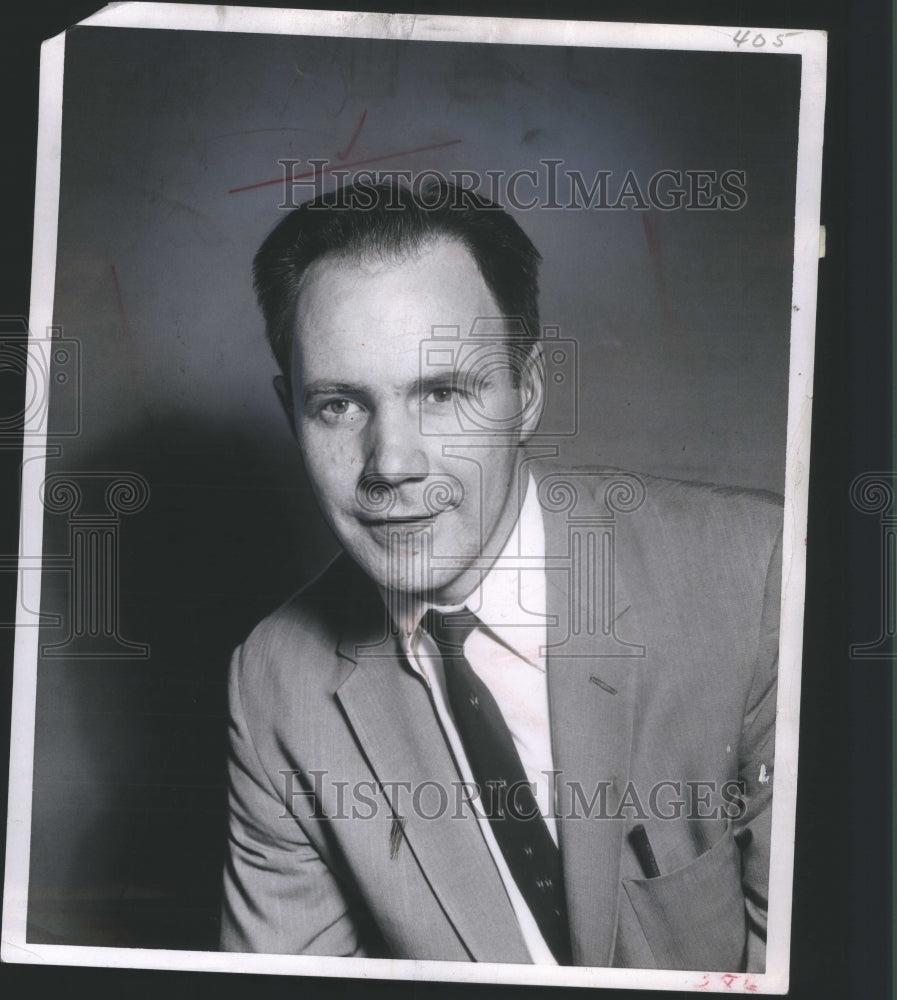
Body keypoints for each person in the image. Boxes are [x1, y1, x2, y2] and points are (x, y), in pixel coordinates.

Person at [219, 180, 781, 972]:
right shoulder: (275, 683)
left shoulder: (756, 575)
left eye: (442, 393)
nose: (391, 465)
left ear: (527, 393)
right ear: (291, 413)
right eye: (339, 406)